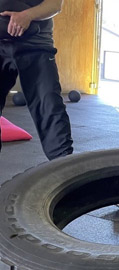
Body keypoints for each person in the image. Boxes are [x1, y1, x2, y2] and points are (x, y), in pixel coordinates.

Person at [0, 0, 73, 160]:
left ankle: (67, 175)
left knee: (49, 108)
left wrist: (27, 15)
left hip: (35, 44)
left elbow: (55, 5)